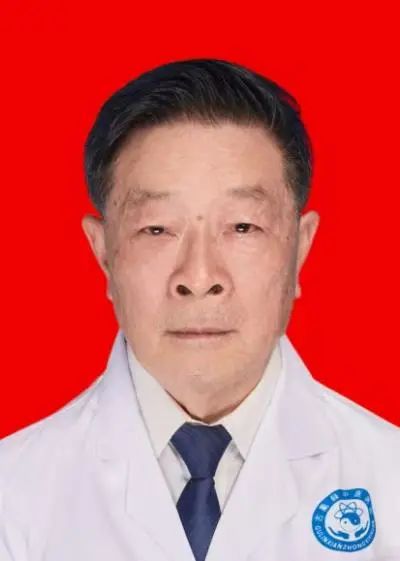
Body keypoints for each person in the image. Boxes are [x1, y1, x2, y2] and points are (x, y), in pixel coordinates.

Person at [0, 58, 399, 561]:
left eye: (243, 227)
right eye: (157, 229)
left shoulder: (390, 481)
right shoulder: (13, 498)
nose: (199, 277)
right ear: (103, 254)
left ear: (300, 248)